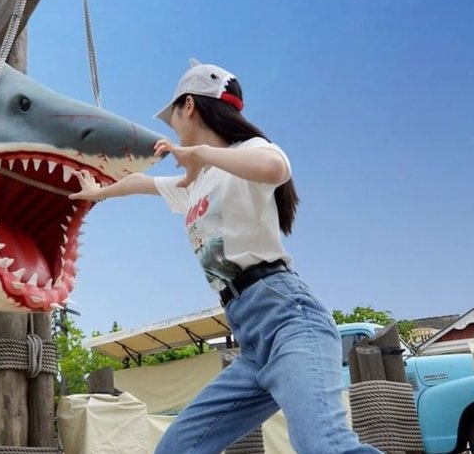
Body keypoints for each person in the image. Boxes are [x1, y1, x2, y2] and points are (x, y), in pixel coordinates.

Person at [69, 59, 379, 453]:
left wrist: (200, 153)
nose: (174, 126)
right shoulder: (193, 184)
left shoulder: (247, 152)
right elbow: (139, 183)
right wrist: (96, 190)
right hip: (250, 339)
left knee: (323, 445)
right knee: (176, 449)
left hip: (289, 320)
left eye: (174, 115)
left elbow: (275, 166)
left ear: (189, 107)